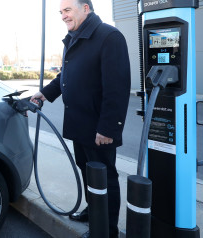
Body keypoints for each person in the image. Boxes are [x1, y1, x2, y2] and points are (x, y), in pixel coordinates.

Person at [31, 0, 131, 237]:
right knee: (87, 172)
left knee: (105, 176)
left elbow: (117, 88)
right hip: (79, 124)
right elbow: (66, 76)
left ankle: (107, 229)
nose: (63, 16)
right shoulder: (74, 38)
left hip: (99, 128)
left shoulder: (109, 37)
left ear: (86, 8)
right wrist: (44, 94)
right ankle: (94, 210)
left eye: (67, 10)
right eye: (61, 12)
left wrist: (108, 128)